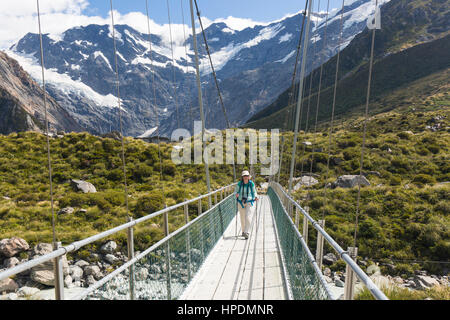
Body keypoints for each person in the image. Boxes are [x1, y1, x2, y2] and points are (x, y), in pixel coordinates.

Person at [234, 170, 258, 239]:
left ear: (248, 177)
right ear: (242, 177)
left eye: (247, 176)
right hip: (241, 201)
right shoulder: (239, 184)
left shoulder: (251, 184)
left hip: (249, 201)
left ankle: (247, 232)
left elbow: (254, 191)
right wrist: (236, 194)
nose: (245, 177)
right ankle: (243, 231)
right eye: (244, 176)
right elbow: (235, 191)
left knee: (248, 217)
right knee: (242, 217)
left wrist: (256, 197)